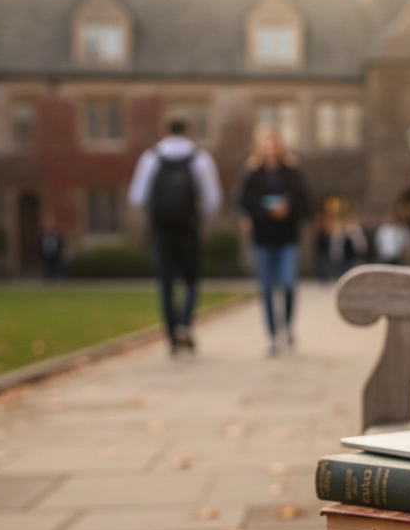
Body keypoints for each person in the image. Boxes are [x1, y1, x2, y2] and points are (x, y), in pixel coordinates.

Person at [128, 119, 222, 354]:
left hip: (162, 229)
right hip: (188, 228)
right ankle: (184, 323)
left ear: (163, 132)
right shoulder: (200, 158)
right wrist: (200, 219)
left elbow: (137, 197)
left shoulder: (151, 158)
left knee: (166, 283)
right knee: (191, 280)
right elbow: (213, 198)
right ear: (189, 133)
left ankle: (171, 337)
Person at [238, 125, 313, 356]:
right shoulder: (252, 173)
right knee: (267, 289)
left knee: (288, 284)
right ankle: (272, 336)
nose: (269, 148)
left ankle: (287, 326)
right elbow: (242, 203)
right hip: (262, 238)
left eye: (273, 143)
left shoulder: (292, 172)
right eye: (265, 144)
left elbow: (306, 205)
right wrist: (257, 215)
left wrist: (287, 209)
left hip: (286, 238)